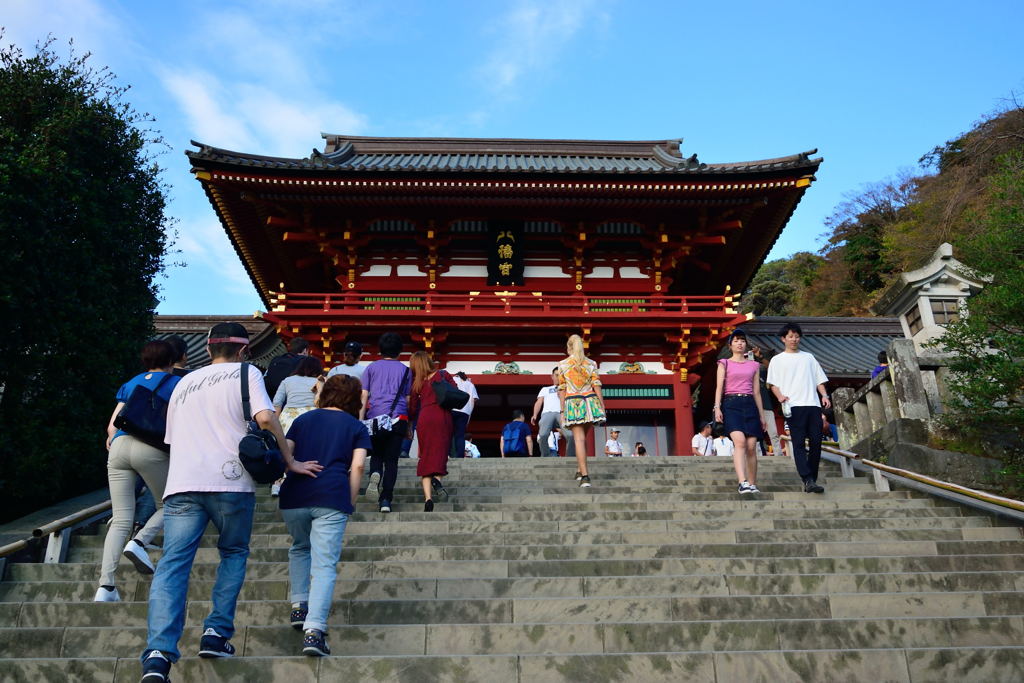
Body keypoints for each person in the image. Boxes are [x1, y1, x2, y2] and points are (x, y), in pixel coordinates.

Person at [139, 322, 321, 683]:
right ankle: (216, 633)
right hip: (229, 481)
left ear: (207, 350)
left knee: (172, 565)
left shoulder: (183, 383)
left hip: (183, 483)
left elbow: (171, 438)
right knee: (233, 553)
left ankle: (158, 654)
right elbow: (267, 417)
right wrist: (290, 461)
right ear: (243, 350)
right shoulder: (247, 372)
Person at [279, 374, 369, 657]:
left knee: (299, 547)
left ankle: (299, 606)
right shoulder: (356, 426)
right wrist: (350, 500)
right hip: (331, 495)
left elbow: (287, 457)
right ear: (354, 399)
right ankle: (314, 632)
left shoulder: (303, 420)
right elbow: (357, 468)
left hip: (294, 495)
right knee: (325, 565)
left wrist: (294, 468)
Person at [96, 340, 181, 603]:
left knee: (121, 518)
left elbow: (112, 425)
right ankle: (140, 541)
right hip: (150, 447)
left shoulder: (131, 382)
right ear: (172, 360)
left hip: (119, 445)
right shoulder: (177, 384)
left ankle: (106, 587)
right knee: (171, 502)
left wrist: (114, 440)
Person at [767, 322, 831, 494]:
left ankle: (812, 478)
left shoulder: (809, 357)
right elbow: (772, 384)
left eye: (796, 336)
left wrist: (824, 395)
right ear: (783, 339)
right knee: (798, 443)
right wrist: (780, 397)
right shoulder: (777, 360)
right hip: (793, 405)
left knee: (817, 442)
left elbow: (819, 379)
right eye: (790, 336)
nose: (794, 339)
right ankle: (807, 478)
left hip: (813, 404)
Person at [360, 332, 411, 514]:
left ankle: (375, 474)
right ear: (400, 350)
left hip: (375, 417)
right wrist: (410, 423)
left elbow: (364, 395)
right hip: (398, 418)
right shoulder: (406, 370)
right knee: (392, 461)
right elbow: (408, 398)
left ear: (380, 349)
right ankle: (386, 499)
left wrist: (360, 419)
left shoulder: (371, 368)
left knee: (377, 456)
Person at [714, 329, 766, 494]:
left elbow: (757, 392)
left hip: (749, 403)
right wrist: (717, 407)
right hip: (731, 403)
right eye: (736, 340)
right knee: (740, 442)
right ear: (730, 345)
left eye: (742, 340)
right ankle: (742, 481)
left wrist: (762, 415)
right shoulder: (724, 363)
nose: (740, 343)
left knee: (751, 446)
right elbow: (719, 387)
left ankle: (752, 483)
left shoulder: (754, 365)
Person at [408, 350, 456, 511]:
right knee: (441, 452)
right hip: (442, 415)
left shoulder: (417, 382)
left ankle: (428, 498)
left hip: (425, 417)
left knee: (426, 455)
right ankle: (437, 480)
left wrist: (409, 423)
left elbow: (413, 407)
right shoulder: (443, 374)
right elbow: (455, 391)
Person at [558, 334, 606, 487]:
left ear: (569, 347)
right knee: (583, 438)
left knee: (578, 439)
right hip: (590, 402)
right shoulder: (591, 363)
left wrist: (562, 410)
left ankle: (585, 475)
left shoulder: (563, 364)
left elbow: (562, 389)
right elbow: (596, 384)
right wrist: (602, 404)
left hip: (573, 402)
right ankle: (580, 470)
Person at [274, 356, 324, 432]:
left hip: (288, 417)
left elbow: (277, 402)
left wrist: (275, 426)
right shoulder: (320, 382)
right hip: (313, 416)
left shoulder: (287, 380)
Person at [531, 369, 574, 458]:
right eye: (556, 375)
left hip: (561, 414)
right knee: (543, 435)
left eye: (560, 375)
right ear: (552, 376)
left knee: (570, 435)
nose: (558, 377)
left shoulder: (567, 389)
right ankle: (545, 456)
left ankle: (570, 457)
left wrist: (563, 395)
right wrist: (535, 414)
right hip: (547, 413)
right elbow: (539, 402)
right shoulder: (545, 389)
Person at [751, 345, 783, 458]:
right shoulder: (745, 375)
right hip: (752, 407)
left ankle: (779, 454)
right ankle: (757, 455)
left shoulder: (763, 374)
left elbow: (771, 368)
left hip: (766, 406)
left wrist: (759, 357)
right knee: (753, 434)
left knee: (773, 432)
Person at [449, 371, 479, 458]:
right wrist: (469, 414)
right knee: (460, 435)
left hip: (452, 409)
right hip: (465, 412)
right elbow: (473, 400)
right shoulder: (470, 384)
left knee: (448, 433)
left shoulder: (452, 380)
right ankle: (460, 456)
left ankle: (449, 454)